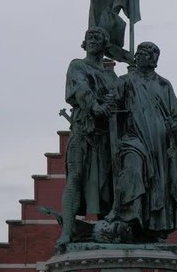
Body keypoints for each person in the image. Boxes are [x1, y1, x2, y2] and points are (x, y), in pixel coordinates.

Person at [107, 41, 177, 241]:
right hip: (133, 139)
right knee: (133, 168)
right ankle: (130, 217)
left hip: (160, 145)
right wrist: (107, 103)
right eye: (141, 52)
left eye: (149, 53)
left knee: (159, 184)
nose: (144, 56)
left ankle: (154, 226)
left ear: (155, 60)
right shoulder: (125, 81)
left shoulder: (164, 85)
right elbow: (111, 106)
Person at [56, 27, 117, 250]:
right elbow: (81, 89)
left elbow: (120, 98)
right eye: (89, 37)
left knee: (108, 185)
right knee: (75, 177)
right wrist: (96, 106)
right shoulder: (77, 65)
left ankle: (105, 232)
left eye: (97, 37)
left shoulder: (111, 76)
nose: (92, 40)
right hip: (83, 129)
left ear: (105, 44)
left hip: (106, 136)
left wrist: (116, 100)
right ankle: (67, 232)